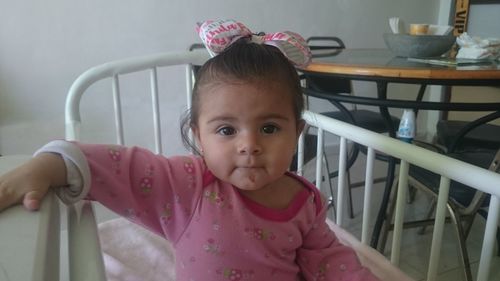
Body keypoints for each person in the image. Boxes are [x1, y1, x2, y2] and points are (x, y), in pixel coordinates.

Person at [0, 20, 379, 281]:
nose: (249, 145)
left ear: (297, 132)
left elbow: (331, 262)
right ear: (199, 136)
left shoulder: (305, 203)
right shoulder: (190, 185)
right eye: (227, 130)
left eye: (269, 128)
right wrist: (51, 165)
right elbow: (120, 168)